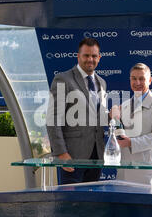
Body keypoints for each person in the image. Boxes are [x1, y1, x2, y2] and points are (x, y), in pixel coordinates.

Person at [46, 38, 108, 184]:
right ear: (78, 56)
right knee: (71, 204)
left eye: (94, 56)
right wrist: (61, 153)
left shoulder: (102, 82)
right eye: (86, 55)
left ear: (99, 58)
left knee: (91, 203)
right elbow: (53, 119)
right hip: (71, 157)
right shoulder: (63, 79)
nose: (90, 59)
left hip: (96, 157)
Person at [113, 63, 152, 189]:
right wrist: (113, 119)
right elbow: (117, 135)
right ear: (130, 80)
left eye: (142, 79)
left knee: (146, 208)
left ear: (150, 80)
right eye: (134, 78)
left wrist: (131, 142)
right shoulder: (124, 106)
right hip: (124, 172)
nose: (137, 82)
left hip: (146, 174)